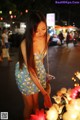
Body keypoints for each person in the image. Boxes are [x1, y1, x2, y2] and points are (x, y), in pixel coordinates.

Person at [15, 10, 53, 119]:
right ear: (30, 29)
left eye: (43, 29)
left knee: (36, 104)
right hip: (25, 73)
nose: (41, 33)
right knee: (29, 105)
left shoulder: (47, 37)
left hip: (38, 72)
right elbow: (31, 70)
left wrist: (44, 74)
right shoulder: (25, 43)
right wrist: (45, 93)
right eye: (36, 31)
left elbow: (40, 60)